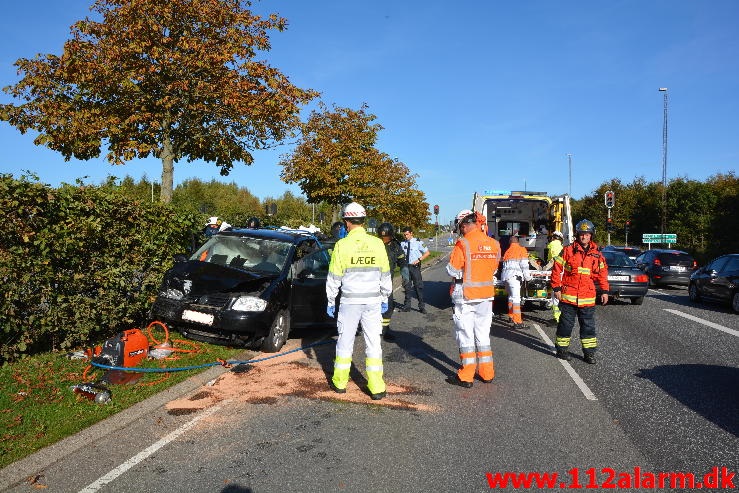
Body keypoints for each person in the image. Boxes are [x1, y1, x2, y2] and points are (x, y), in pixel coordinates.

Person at [325, 202, 392, 400]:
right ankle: (377, 387)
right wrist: (385, 296)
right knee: (373, 343)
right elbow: (385, 274)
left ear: (346, 222)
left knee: (345, 342)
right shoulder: (378, 244)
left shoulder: (341, 245)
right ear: (363, 220)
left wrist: (330, 300)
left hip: (349, 302)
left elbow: (334, 277)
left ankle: (340, 383)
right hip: (373, 301)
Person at [446, 210, 501, 388]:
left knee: (466, 336)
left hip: (466, 296)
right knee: (483, 336)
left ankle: (466, 376)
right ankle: (487, 373)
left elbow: (452, 271)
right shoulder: (494, 244)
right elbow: (493, 270)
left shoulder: (463, 244)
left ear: (463, 225)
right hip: (486, 295)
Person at [551, 219, 609, 364]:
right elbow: (556, 269)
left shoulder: (597, 255)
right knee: (565, 325)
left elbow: (602, 274)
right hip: (568, 297)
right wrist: (556, 287)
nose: (584, 237)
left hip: (587, 298)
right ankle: (562, 350)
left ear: (591, 235)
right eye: (582, 234)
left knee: (588, 328)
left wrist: (604, 291)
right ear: (578, 235)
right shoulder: (568, 250)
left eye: (587, 234)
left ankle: (589, 354)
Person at [377, 222, 407, 341]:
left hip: (387, 282)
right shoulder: (374, 244)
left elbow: (403, 263)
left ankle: (384, 331)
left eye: (386, 237)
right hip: (372, 281)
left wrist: (406, 276)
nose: (384, 240)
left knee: (388, 307)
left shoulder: (395, 246)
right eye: (382, 237)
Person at [500, 233, 532, 328]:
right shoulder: (521, 249)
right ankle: (517, 322)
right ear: (518, 242)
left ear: (510, 243)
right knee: (516, 299)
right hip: (514, 278)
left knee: (510, 297)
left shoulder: (507, 251)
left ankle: (511, 316)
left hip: (505, 278)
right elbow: (524, 266)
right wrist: (528, 278)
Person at [400, 226, 430, 313]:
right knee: (407, 287)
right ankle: (407, 306)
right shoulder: (402, 243)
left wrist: (419, 259)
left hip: (415, 267)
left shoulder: (418, 242)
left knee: (418, 287)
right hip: (406, 267)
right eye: (404, 235)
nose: (405, 236)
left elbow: (427, 253)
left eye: (407, 234)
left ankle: (421, 306)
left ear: (411, 233)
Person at [546, 230, 565, 323]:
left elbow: (550, 259)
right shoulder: (562, 247)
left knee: (555, 296)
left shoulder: (551, 244)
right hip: (562, 272)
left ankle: (557, 318)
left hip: (555, 272)